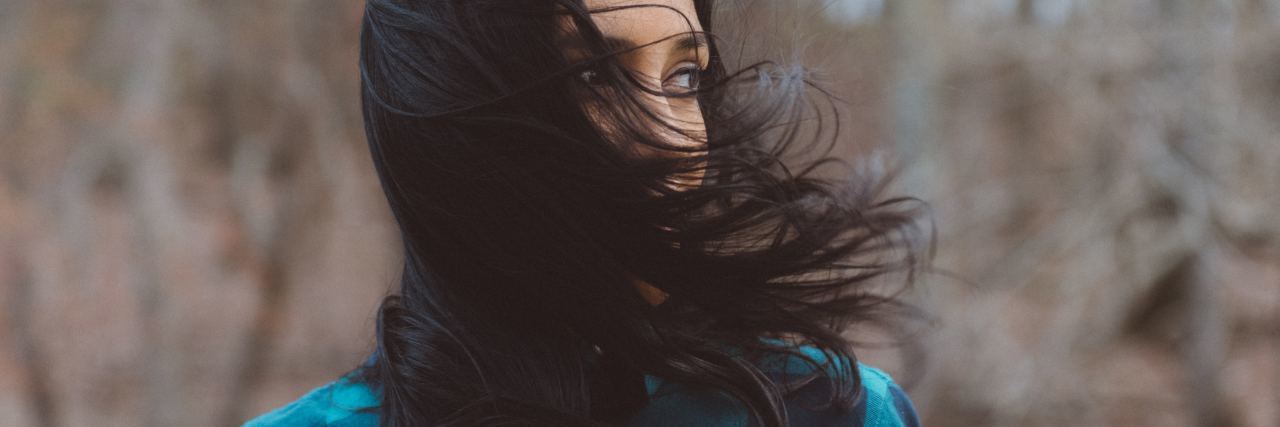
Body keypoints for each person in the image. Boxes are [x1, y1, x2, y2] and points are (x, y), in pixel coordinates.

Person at [247, 0, 926, 425]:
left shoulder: (835, 410)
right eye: (592, 76)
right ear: (453, 119)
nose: (670, 135)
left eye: (685, 77)